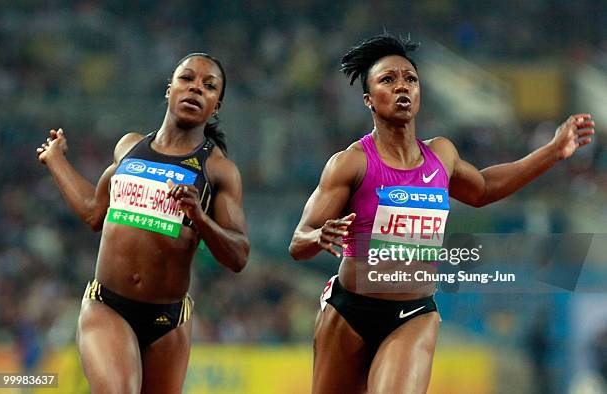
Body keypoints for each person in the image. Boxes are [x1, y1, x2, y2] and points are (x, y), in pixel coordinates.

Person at [289, 33, 594, 394]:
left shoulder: (441, 155)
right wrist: (318, 235)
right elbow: (298, 243)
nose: (402, 86)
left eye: (410, 79)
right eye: (388, 80)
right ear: (369, 99)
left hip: (413, 313)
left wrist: (553, 151)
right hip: (349, 310)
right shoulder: (350, 163)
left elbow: (482, 189)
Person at [36, 52, 250, 393]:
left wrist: (199, 217)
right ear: (169, 90)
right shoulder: (130, 148)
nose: (196, 88)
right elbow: (94, 212)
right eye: (187, 78)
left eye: (209, 86)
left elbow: (238, 255)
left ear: (216, 107)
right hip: (108, 305)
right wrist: (56, 160)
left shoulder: (219, 170)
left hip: (169, 321)